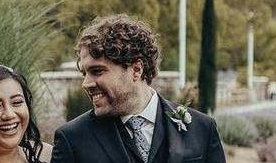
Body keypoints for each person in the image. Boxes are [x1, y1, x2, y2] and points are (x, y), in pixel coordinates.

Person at [51, 15, 226, 163]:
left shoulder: (202, 128)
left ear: (136, 70)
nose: (86, 83)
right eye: (84, 73)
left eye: (97, 71)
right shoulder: (72, 139)